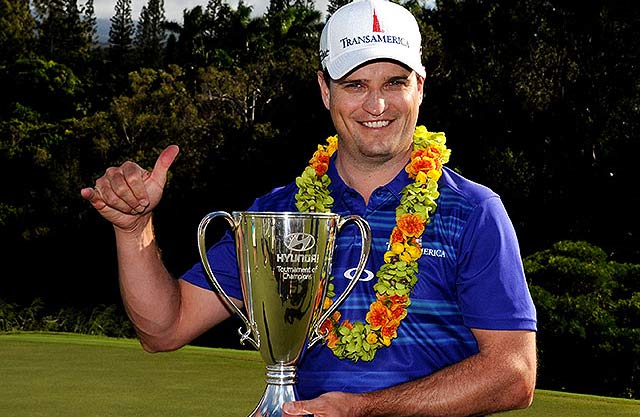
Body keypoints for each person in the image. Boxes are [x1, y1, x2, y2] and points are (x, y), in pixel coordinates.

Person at [81, 0, 537, 415]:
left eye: (394, 82)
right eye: (355, 84)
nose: (376, 104)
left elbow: (514, 374)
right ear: (325, 90)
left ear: (419, 86)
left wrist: (366, 409)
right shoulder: (278, 214)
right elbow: (164, 328)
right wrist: (133, 227)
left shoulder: (473, 211)